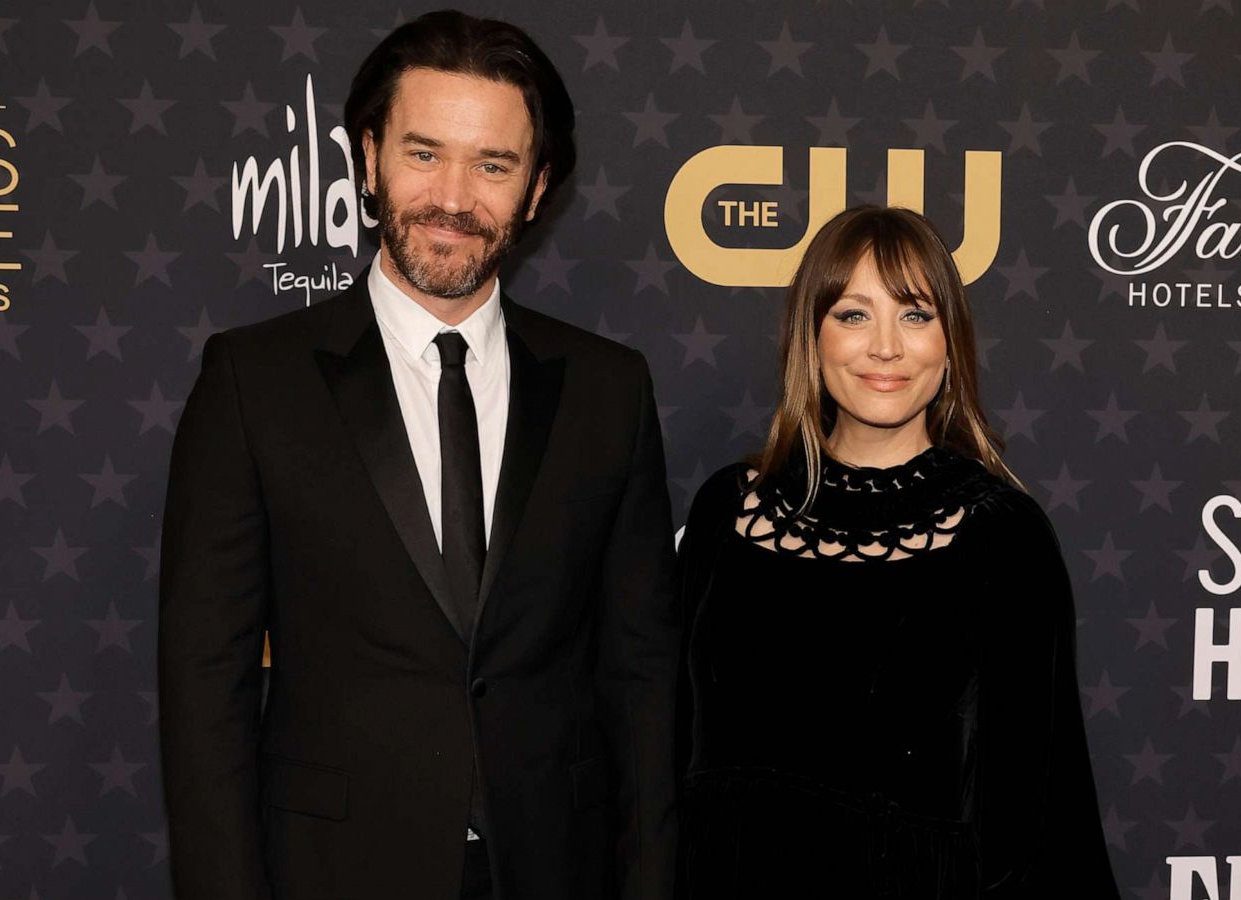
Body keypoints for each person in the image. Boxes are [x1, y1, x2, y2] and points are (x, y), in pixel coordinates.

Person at [158, 12, 677, 900]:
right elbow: (206, 688)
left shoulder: (609, 391)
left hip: (556, 865)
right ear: (368, 158)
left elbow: (644, 681)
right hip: (332, 872)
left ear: (538, 186)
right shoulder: (255, 382)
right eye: (424, 152)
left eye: (494, 165)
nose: (453, 196)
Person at [675, 206, 1118, 898]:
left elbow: (1040, 809)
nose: (886, 347)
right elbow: (669, 749)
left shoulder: (1000, 532)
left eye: (915, 315)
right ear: (811, 337)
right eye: (853, 315)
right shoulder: (726, 510)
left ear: (950, 342)